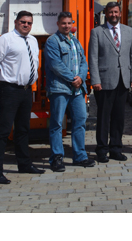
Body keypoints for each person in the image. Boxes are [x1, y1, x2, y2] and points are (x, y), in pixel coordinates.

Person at [0, 11, 45, 184]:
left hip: (27, 91)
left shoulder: (33, 40)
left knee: (23, 130)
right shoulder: (6, 39)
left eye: (29, 22)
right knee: (3, 131)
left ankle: (24, 164)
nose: (26, 25)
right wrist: (1, 76)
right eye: (23, 22)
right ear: (16, 22)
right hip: (10, 89)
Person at [44, 12, 94, 172]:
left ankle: (80, 156)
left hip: (77, 90)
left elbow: (83, 61)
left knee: (80, 122)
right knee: (57, 124)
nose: (66, 26)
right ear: (58, 24)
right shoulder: (52, 41)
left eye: (69, 23)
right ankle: (56, 158)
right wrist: (74, 78)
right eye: (63, 23)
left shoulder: (75, 40)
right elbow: (55, 64)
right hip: (60, 88)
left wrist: (81, 77)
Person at [88, 2, 132, 162]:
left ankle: (116, 149)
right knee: (103, 118)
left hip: (123, 81)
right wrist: (95, 79)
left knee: (119, 117)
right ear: (106, 13)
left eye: (116, 12)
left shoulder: (128, 31)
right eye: (110, 12)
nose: (113, 15)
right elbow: (93, 58)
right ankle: (102, 150)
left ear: (120, 12)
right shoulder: (97, 32)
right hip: (104, 82)